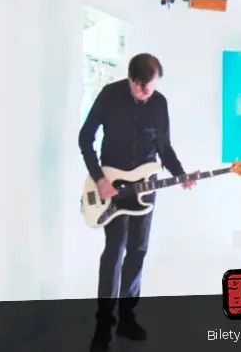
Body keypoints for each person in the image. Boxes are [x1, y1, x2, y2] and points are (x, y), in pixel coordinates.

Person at [79, 53, 195, 352]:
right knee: (114, 251)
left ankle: (128, 318)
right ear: (130, 79)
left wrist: (180, 174)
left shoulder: (160, 103)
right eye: (141, 87)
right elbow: (85, 137)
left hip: (145, 188)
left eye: (151, 87)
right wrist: (100, 179)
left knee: (138, 250)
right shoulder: (110, 95)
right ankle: (103, 324)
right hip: (112, 188)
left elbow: (164, 148)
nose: (146, 93)